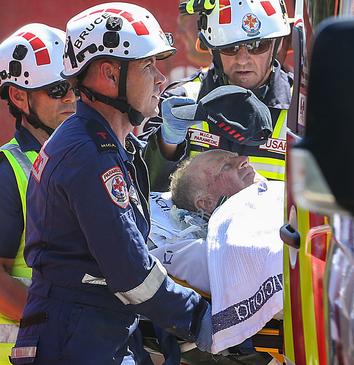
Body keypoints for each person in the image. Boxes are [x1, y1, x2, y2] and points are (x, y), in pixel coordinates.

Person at [10, 4, 214, 364]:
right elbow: (133, 274)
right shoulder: (88, 154)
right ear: (108, 73)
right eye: (148, 66)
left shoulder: (101, 145)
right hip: (76, 343)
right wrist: (204, 319)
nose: (161, 79)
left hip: (91, 336)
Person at [147, 150, 284, 364]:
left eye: (235, 156)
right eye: (226, 166)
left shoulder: (278, 195)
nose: (244, 159)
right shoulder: (217, 246)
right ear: (206, 203)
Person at [149, 0, 292, 187]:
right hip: (194, 216)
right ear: (212, 49)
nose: (242, 60)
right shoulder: (183, 99)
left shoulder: (302, 108)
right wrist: (166, 145)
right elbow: (148, 189)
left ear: (277, 45)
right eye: (230, 48)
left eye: (256, 45)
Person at [0, 23, 76, 364]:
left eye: (75, 86)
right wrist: (57, 324)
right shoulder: (8, 170)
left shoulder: (83, 159)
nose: (72, 98)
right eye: (58, 89)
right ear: (19, 96)